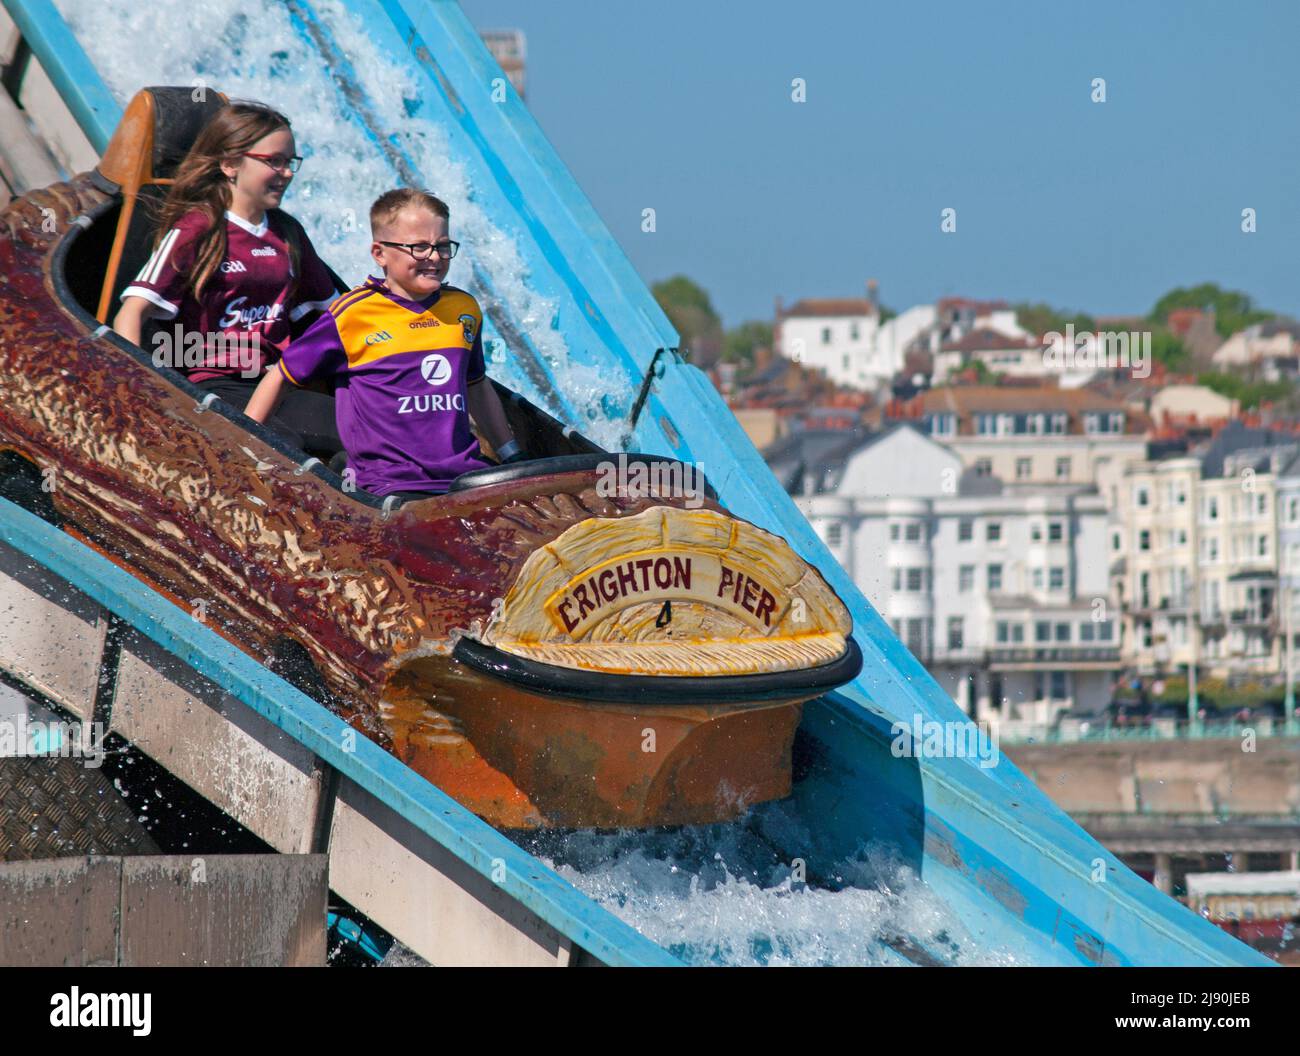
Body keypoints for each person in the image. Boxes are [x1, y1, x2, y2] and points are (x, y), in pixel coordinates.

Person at [245, 188, 522, 499]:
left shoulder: (463, 309)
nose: (434, 257)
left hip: (463, 477)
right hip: (390, 486)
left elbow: (476, 385)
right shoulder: (352, 316)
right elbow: (282, 375)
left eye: (443, 247)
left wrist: (511, 453)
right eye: (419, 247)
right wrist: (243, 441)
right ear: (380, 254)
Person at [111, 101, 342, 453]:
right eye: (274, 161)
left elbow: (336, 315)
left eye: (290, 162)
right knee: (285, 449)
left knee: (365, 434)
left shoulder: (288, 233)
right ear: (231, 164)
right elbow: (132, 311)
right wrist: (136, 381)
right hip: (212, 385)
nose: (287, 173)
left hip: (277, 383)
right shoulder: (199, 227)